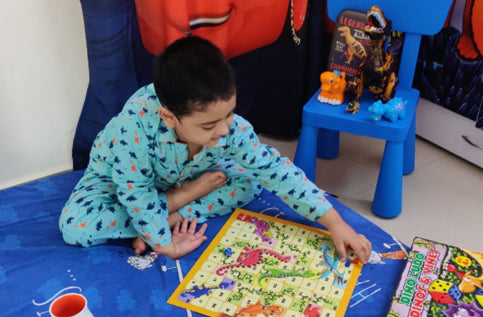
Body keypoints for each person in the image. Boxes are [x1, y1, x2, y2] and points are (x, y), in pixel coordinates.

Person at [60, 36, 371, 263]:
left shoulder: (228, 127)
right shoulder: (135, 126)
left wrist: (336, 223)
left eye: (230, 114)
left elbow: (276, 171)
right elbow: (135, 192)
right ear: (169, 117)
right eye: (209, 125)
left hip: (185, 175)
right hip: (120, 179)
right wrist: (166, 244)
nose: (224, 130)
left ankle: (171, 214)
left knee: (250, 182)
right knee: (74, 226)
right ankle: (177, 203)